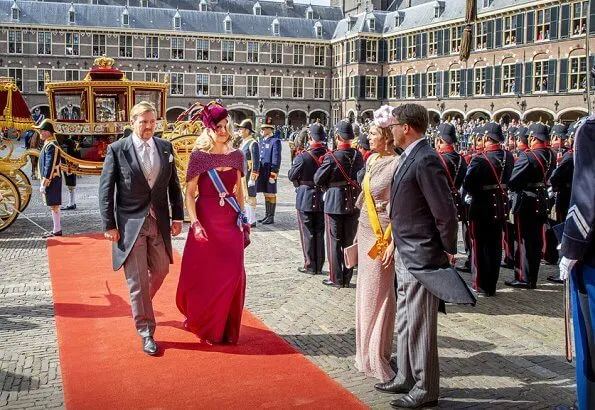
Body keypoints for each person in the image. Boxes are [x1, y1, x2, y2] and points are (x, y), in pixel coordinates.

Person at [376, 104, 474, 409]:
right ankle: (405, 375)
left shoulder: (426, 158)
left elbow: (445, 212)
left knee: (419, 322)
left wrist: (445, 249)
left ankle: (425, 386)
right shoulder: (411, 156)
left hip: (422, 252)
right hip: (407, 248)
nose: (389, 130)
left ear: (406, 127)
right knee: (406, 318)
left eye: (393, 125)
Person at [98, 101, 184, 356]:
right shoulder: (117, 150)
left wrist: (178, 217)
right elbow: (106, 190)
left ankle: (140, 302)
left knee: (161, 269)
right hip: (129, 223)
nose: (148, 126)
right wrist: (109, 225)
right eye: (143, 121)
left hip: (158, 221)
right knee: (136, 281)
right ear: (133, 122)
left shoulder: (165, 147)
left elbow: (173, 186)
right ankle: (146, 331)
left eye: (152, 121)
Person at [176, 102, 248, 345]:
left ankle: (227, 328)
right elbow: (189, 193)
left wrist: (243, 219)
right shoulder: (199, 157)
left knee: (234, 274)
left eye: (226, 125)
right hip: (206, 222)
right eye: (219, 126)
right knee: (208, 277)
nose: (224, 130)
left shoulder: (237, 155)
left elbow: (239, 192)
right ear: (209, 128)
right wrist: (194, 223)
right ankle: (209, 326)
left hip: (231, 223)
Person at [354, 106, 399, 383]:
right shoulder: (371, 160)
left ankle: (377, 353)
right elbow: (364, 196)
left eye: (372, 133)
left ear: (385, 135)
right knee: (365, 293)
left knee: (379, 294)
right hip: (365, 229)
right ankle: (364, 351)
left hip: (383, 233)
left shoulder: (396, 164)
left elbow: (400, 207)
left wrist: (392, 240)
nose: (368, 137)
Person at [559, 115, 595, 410]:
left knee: (589, 340)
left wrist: (571, 247)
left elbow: (586, 194)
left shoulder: (591, 130)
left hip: (592, 255)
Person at [463, 123, 514, 296]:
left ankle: (481, 285)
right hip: (500, 206)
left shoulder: (480, 159)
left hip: (481, 205)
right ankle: (491, 284)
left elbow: (468, 183)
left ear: (486, 138)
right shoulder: (509, 156)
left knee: (479, 246)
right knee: (494, 246)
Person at [314, 120, 364, 288]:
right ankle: (347, 276)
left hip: (335, 201)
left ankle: (336, 278)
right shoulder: (358, 156)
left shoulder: (332, 157)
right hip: (353, 201)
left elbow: (318, 178)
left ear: (337, 137)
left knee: (334, 241)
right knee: (349, 241)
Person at [506, 122, 556, 289]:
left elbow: (513, 180)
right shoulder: (550, 155)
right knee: (535, 242)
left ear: (533, 138)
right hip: (541, 200)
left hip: (526, 202)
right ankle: (532, 277)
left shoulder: (528, 156)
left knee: (523, 241)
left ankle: (523, 277)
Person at [288, 121, 328, 275]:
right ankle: (319, 264)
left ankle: (310, 265)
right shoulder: (328, 154)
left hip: (305, 196)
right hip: (323, 197)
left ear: (310, 137)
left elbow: (292, 175)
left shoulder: (303, 157)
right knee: (319, 231)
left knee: (307, 233)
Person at [548, 122, 576, 283]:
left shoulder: (569, 156)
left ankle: (562, 269)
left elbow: (555, 177)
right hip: (568, 195)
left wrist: (555, 185)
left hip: (566, 197)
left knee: (564, 233)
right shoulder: (567, 154)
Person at [36, 120, 63, 238]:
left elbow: (50, 165)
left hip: (52, 178)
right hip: (51, 178)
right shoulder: (49, 144)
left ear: (48, 132)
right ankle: (56, 228)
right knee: (53, 204)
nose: (40, 133)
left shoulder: (51, 146)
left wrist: (45, 181)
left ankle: (57, 229)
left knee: (54, 204)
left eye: (42, 131)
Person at [256, 118, 282, 225]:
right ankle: (267, 215)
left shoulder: (275, 141)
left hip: (270, 171)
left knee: (271, 193)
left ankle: (271, 216)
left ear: (269, 129)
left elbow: (276, 158)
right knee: (266, 193)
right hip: (263, 171)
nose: (262, 130)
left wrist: (274, 173)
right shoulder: (262, 140)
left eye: (264, 128)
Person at [237, 119, 260, 227]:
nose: (239, 131)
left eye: (241, 129)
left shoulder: (253, 143)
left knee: (250, 197)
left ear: (247, 130)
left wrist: (253, 177)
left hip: (249, 174)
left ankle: (252, 220)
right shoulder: (243, 142)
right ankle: (246, 217)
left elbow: (256, 162)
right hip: (243, 174)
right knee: (244, 197)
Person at [60, 135, 78, 211]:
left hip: (68, 164)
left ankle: (71, 203)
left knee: (70, 183)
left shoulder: (66, 142)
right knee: (71, 184)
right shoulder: (69, 141)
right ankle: (72, 202)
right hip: (70, 163)